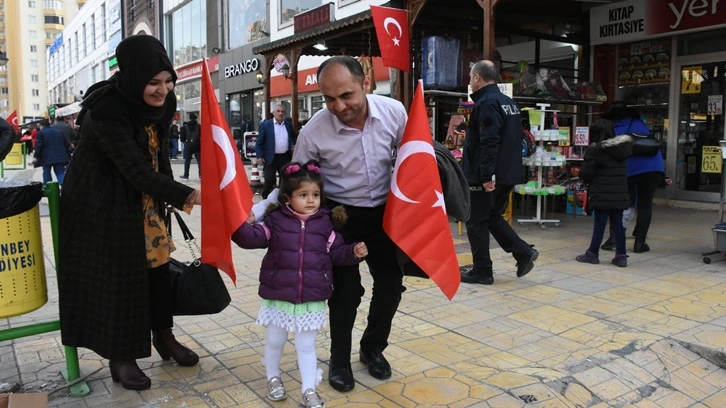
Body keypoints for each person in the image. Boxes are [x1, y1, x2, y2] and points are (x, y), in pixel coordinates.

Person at [249, 56, 408, 392]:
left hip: (385, 214)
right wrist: (260, 209)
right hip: (339, 217)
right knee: (345, 293)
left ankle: (373, 348)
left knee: (391, 286)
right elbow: (293, 182)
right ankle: (339, 361)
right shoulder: (314, 131)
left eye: (347, 95)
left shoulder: (394, 113)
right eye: (329, 98)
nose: (339, 106)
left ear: (366, 83)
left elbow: (414, 156)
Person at [57, 35, 202, 391]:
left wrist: (168, 191)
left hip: (144, 201)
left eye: (168, 81)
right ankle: (121, 356)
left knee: (158, 272)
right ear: (133, 76)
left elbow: (158, 153)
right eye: (153, 82)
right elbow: (134, 169)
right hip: (102, 205)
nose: (162, 90)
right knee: (120, 279)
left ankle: (164, 337)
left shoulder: (162, 104)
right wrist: (189, 195)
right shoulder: (107, 109)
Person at [234, 160, 368, 407]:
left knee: (306, 345)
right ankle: (273, 377)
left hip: (312, 297)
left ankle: (309, 389)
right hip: (279, 295)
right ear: (287, 198)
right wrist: (235, 225)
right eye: (303, 195)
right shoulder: (275, 221)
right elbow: (253, 238)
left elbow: (336, 253)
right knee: (275, 341)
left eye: (315, 195)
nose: (311, 200)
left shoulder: (325, 223)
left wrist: (352, 253)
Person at [459, 60, 539, 285]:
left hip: (488, 176)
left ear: (477, 77)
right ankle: (523, 252)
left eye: (470, 77)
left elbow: (489, 141)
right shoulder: (509, 103)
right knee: (492, 216)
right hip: (507, 173)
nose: (470, 82)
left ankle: (483, 271)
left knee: (476, 221)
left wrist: (486, 176)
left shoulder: (487, 103)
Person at [600, 103, 667, 253]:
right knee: (645, 205)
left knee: (624, 204)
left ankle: (614, 238)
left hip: (629, 169)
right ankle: (640, 243)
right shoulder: (638, 123)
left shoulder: (612, 128)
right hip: (653, 168)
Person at [575, 119, 633, 267]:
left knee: (599, 224)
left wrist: (580, 174)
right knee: (618, 224)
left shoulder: (595, 150)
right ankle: (621, 256)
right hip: (619, 193)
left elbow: (586, 173)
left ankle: (592, 254)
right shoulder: (622, 148)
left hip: (602, 192)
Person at [256, 104, 298, 198]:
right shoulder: (266, 125)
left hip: (285, 157)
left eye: (282, 112)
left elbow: (294, 136)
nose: (280, 113)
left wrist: (294, 145)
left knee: (284, 179)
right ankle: (265, 198)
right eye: (278, 111)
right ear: (273, 113)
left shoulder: (288, 125)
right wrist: (259, 156)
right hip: (271, 157)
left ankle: (280, 199)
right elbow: (259, 142)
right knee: (269, 179)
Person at [33, 119, 71, 185]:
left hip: (46, 157)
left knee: (46, 173)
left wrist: (36, 156)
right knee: (60, 173)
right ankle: (65, 187)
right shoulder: (59, 132)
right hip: (60, 156)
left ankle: (48, 188)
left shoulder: (41, 133)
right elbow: (66, 144)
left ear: (41, 125)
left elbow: (39, 146)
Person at [180, 113, 200, 179]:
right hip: (197, 145)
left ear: (189, 118)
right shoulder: (199, 126)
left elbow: (182, 138)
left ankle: (186, 175)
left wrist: (185, 143)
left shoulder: (185, 126)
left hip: (188, 146)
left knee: (187, 161)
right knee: (199, 161)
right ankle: (201, 174)